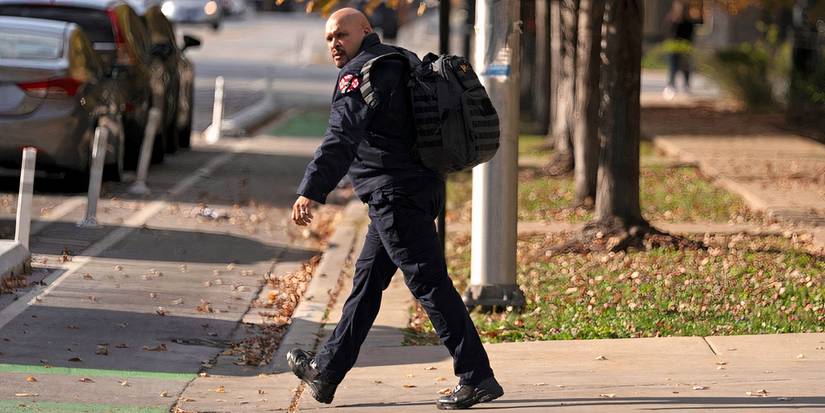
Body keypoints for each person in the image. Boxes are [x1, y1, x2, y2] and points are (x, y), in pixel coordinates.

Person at [287, 7, 503, 410]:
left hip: (395, 197)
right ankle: (326, 372)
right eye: (329, 39)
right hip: (417, 189)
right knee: (367, 285)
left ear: (365, 31)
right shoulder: (400, 59)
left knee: (429, 284)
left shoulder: (360, 73)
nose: (335, 44)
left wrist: (311, 191)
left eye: (341, 35)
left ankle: (476, 376)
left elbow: (340, 137)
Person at [663, 0, 696, 100]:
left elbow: (690, 35)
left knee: (685, 67)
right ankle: (671, 86)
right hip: (673, 48)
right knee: (672, 67)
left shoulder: (689, 21)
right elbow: (667, 32)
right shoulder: (671, 19)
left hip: (685, 48)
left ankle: (686, 86)